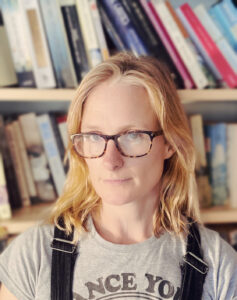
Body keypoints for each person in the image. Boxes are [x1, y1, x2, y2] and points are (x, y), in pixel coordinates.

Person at [0, 52, 237, 300]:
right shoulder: (33, 256)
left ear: (169, 143)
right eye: (94, 136)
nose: (111, 161)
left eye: (132, 135)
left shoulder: (218, 264)